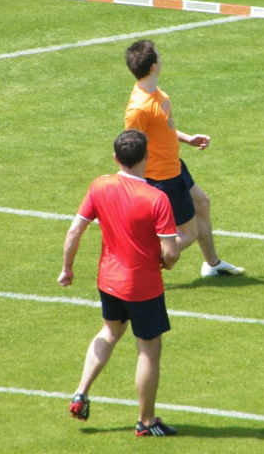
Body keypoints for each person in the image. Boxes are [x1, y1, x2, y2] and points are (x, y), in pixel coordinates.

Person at [58, 129, 180, 437]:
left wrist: (67, 269)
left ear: (116, 158)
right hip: (143, 287)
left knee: (110, 331)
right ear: (147, 157)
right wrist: (167, 261)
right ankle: (146, 421)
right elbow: (171, 252)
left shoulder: (99, 185)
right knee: (148, 350)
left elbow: (74, 231)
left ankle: (81, 391)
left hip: (109, 281)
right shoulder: (157, 198)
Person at [124, 39, 245, 278]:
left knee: (202, 203)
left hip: (175, 167)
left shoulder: (157, 93)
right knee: (187, 234)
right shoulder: (138, 108)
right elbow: (132, 147)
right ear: (153, 66)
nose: (162, 58)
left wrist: (188, 139)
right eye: (159, 55)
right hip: (163, 177)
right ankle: (137, 268)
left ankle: (212, 264)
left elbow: (163, 130)